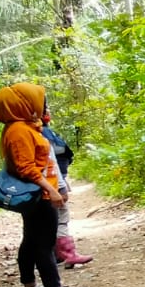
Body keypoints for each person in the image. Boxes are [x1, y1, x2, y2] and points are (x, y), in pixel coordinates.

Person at [0, 83, 88, 287]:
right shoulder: (19, 130)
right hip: (39, 195)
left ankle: (30, 286)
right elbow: (26, 168)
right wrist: (52, 190)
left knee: (31, 240)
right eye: (38, 101)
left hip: (37, 193)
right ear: (24, 104)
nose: (42, 106)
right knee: (44, 243)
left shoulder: (22, 127)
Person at [41, 110, 94, 268]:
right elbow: (51, 163)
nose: (49, 112)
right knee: (61, 216)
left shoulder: (17, 131)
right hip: (50, 184)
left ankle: (53, 256)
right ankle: (68, 254)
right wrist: (61, 187)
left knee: (42, 223)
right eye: (46, 109)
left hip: (36, 186)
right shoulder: (42, 135)